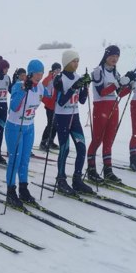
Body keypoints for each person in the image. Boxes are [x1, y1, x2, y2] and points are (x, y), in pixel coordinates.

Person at [86, 45, 136, 183]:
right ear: (106, 56)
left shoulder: (115, 72)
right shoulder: (98, 71)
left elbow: (120, 94)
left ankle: (108, 170)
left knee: (109, 140)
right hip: (101, 108)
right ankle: (91, 169)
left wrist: (130, 86)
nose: (115, 59)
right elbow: (101, 92)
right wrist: (118, 83)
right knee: (97, 139)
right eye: (112, 56)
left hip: (113, 108)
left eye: (117, 56)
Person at [5, 59, 46, 207]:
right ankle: (11, 192)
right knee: (14, 160)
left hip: (29, 127)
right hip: (15, 127)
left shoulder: (40, 87)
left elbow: (52, 98)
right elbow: (14, 107)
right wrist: (23, 90)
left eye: (41, 73)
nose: (39, 76)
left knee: (24, 161)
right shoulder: (18, 86)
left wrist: (68, 87)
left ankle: (23, 189)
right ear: (30, 73)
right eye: (36, 73)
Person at [53, 50, 94, 195]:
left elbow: (82, 101)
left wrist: (85, 87)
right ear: (66, 62)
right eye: (73, 61)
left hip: (74, 117)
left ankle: (77, 179)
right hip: (62, 118)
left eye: (77, 61)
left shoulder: (77, 77)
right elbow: (61, 101)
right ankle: (61, 180)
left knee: (82, 148)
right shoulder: (59, 78)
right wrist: (74, 87)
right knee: (65, 149)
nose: (76, 64)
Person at [39, 62, 61, 151]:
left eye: (59, 70)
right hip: (49, 105)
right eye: (56, 70)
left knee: (55, 124)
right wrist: (47, 101)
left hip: (57, 105)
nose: (58, 72)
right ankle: (43, 142)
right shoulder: (48, 79)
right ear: (53, 70)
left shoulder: (59, 78)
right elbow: (40, 90)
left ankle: (50, 141)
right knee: (50, 124)